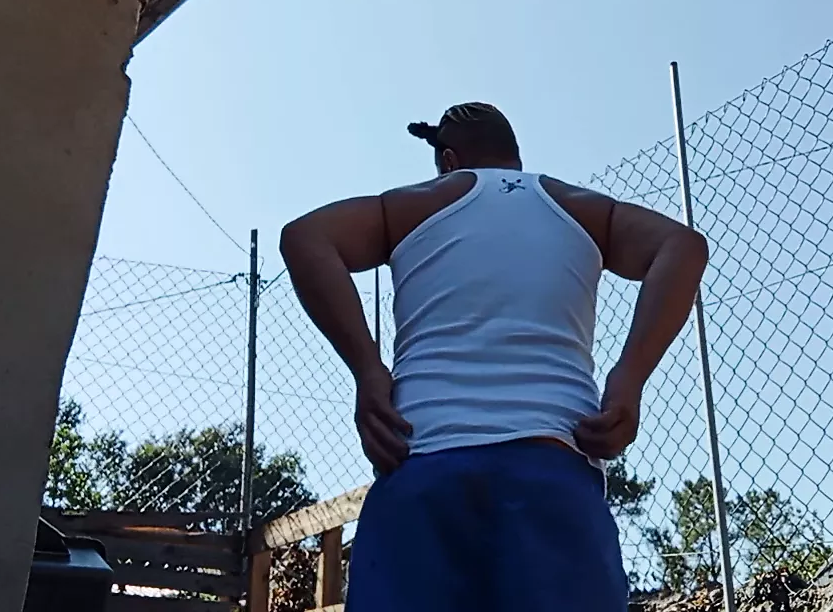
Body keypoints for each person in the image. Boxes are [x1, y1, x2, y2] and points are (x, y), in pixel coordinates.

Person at [279, 102, 710, 611]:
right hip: (554, 471)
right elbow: (684, 246)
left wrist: (368, 371)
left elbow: (304, 238)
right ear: (515, 155)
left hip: (421, 467)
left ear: (448, 160)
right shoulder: (583, 210)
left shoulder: (412, 206)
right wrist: (629, 378)